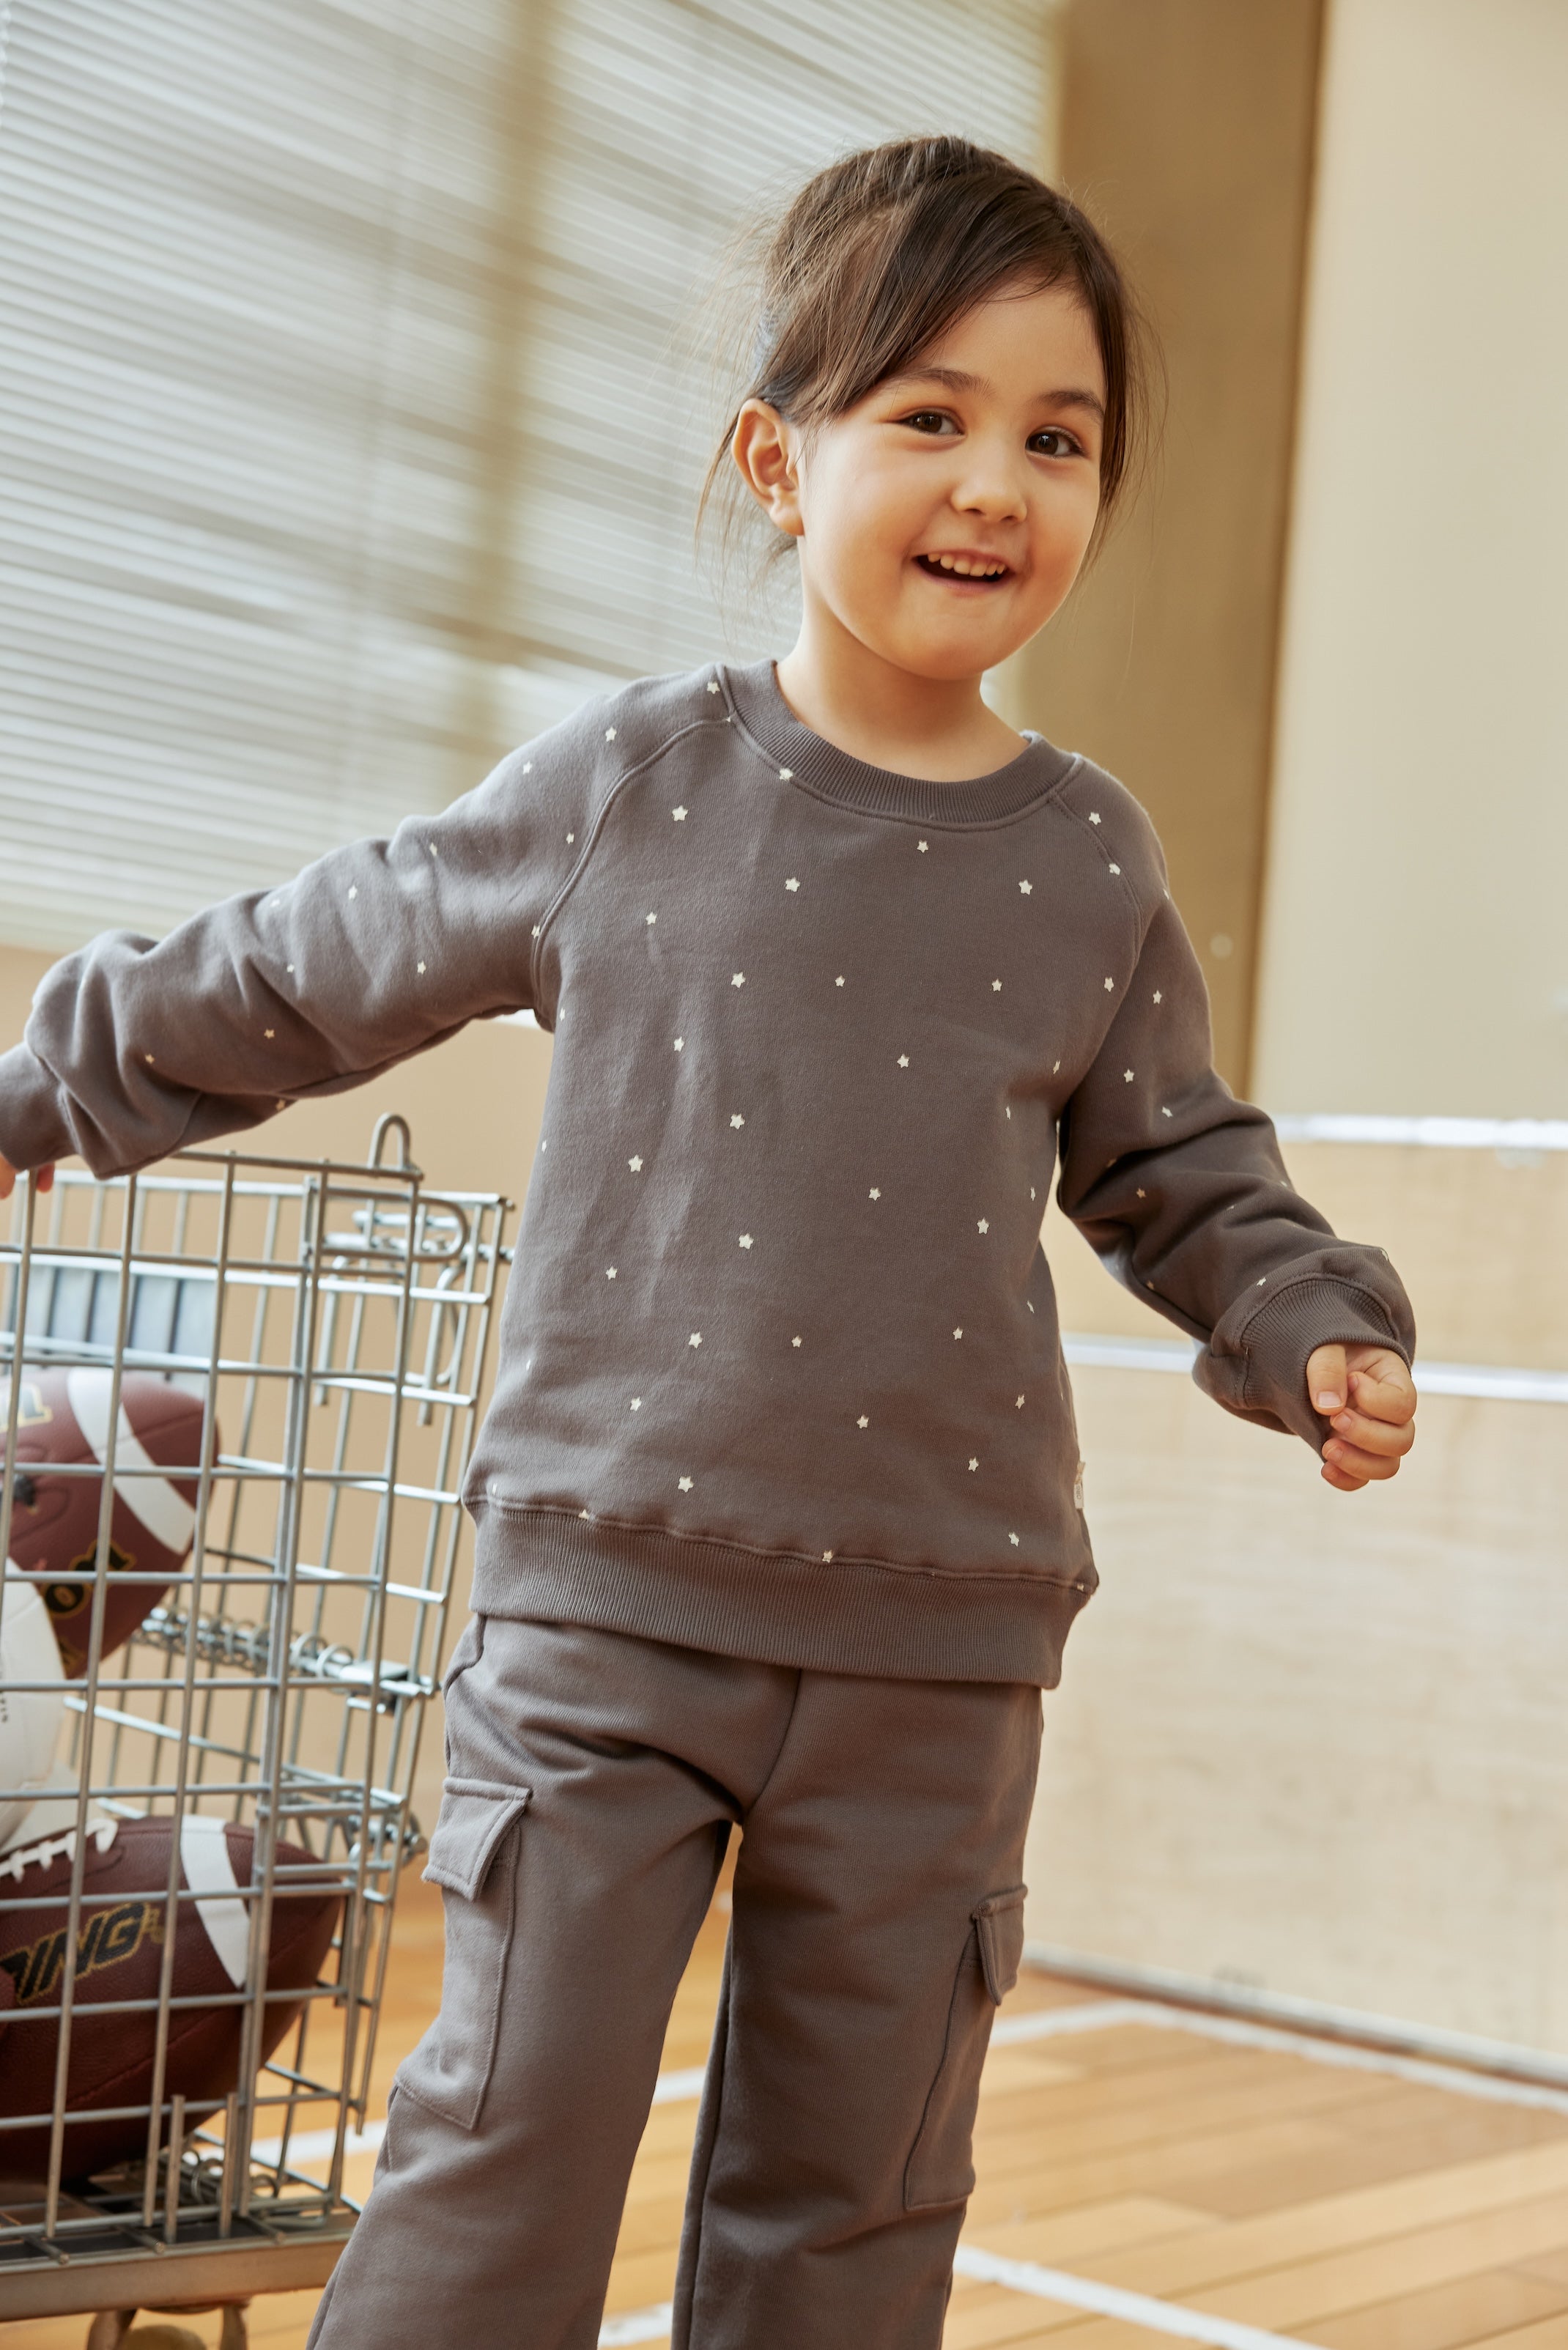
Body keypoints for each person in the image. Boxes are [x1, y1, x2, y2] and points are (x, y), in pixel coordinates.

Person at [0, 137, 1416, 2349]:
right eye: (926, 416)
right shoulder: (627, 783)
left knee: (851, 2207)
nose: (992, 484)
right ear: (778, 456)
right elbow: (311, 955)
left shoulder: (1086, 860)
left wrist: (1305, 1313)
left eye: (1056, 438)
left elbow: (1181, 1167)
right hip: (603, 1613)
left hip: (942, 1646)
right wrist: (49, 1080)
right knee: (498, 2155)